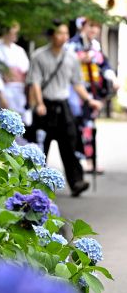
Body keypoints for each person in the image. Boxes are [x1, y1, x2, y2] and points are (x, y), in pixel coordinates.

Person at [27, 20, 102, 197]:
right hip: (45, 107)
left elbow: (77, 83)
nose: (64, 37)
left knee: (70, 145)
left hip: (63, 106)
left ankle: (76, 182)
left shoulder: (71, 57)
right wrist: (39, 104)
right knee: (39, 148)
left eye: (66, 33)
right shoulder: (39, 56)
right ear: (52, 35)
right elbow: (35, 82)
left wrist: (90, 100)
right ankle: (33, 184)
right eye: (60, 33)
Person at [67, 18, 119, 174]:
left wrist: (113, 78)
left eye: (97, 27)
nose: (94, 30)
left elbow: (105, 65)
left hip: (92, 92)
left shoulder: (95, 46)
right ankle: (79, 162)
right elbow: (66, 64)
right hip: (75, 92)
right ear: (82, 27)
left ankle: (90, 161)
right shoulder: (73, 44)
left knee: (89, 126)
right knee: (77, 128)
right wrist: (80, 59)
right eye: (91, 26)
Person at [0, 22, 30, 117]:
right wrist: (1, 95)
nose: (16, 34)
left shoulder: (19, 50)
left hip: (20, 91)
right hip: (6, 90)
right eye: (13, 31)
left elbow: (25, 70)